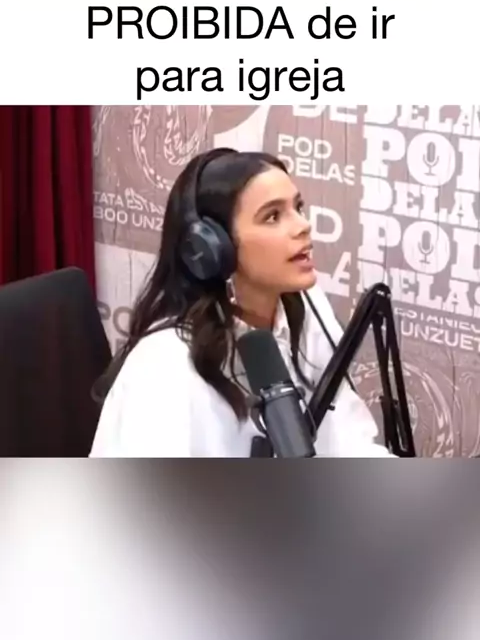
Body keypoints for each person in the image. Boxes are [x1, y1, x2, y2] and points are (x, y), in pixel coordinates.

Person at [90, 148, 394, 457]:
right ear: (212, 248)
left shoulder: (307, 311)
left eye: (298, 207)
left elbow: (350, 440)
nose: (303, 225)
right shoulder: (163, 366)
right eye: (273, 216)